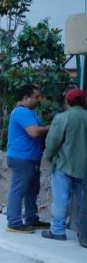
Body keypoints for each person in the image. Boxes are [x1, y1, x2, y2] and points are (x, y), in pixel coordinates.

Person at [42, 89, 87, 243]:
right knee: (84, 201)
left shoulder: (63, 118)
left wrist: (48, 157)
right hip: (84, 168)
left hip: (63, 164)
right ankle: (83, 233)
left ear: (67, 102)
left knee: (61, 199)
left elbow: (52, 141)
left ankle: (57, 231)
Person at [5, 85, 49, 234]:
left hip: (30, 158)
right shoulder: (21, 112)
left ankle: (31, 218)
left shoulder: (28, 113)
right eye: (36, 97)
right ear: (25, 98)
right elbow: (34, 132)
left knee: (31, 190)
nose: (39, 99)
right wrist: (53, 126)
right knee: (18, 190)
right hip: (22, 158)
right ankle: (14, 222)